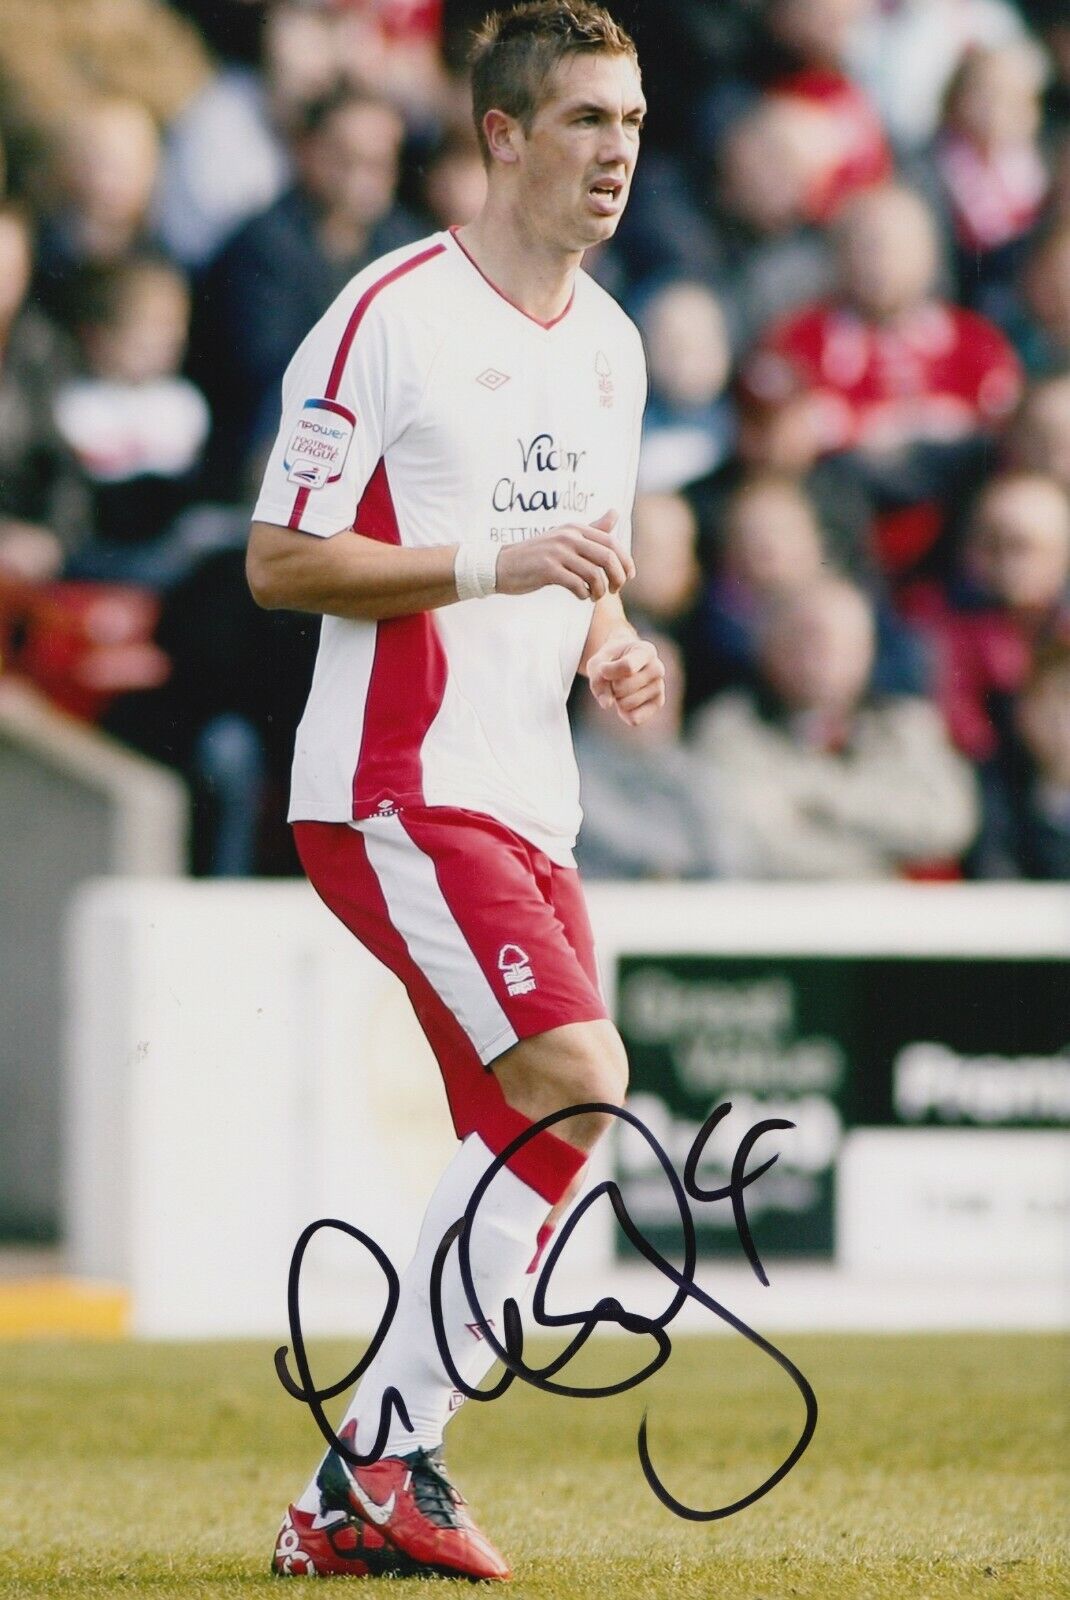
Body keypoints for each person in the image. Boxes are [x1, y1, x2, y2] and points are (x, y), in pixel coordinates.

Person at [246, 2, 662, 1581]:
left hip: (523, 790)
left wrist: (611, 641)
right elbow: (280, 563)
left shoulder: (612, 343)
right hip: (389, 786)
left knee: (552, 1114)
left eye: (627, 122)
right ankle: (378, 1464)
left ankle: (366, 1477)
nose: (615, 152)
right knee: (578, 1067)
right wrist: (497, 564)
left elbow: (584, 562)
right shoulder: (390, 318)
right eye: (581, 121)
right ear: (500, 135)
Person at [692, 576, 978, 878]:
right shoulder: (728, 728)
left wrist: (818, 798)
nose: (824, 654)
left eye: (844, 641)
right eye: (808, 637)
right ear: (769, 643)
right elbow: (744, 841)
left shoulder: (908, 727)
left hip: (886, 918)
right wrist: (876, 859)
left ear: (867, 650)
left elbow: (948, 823)